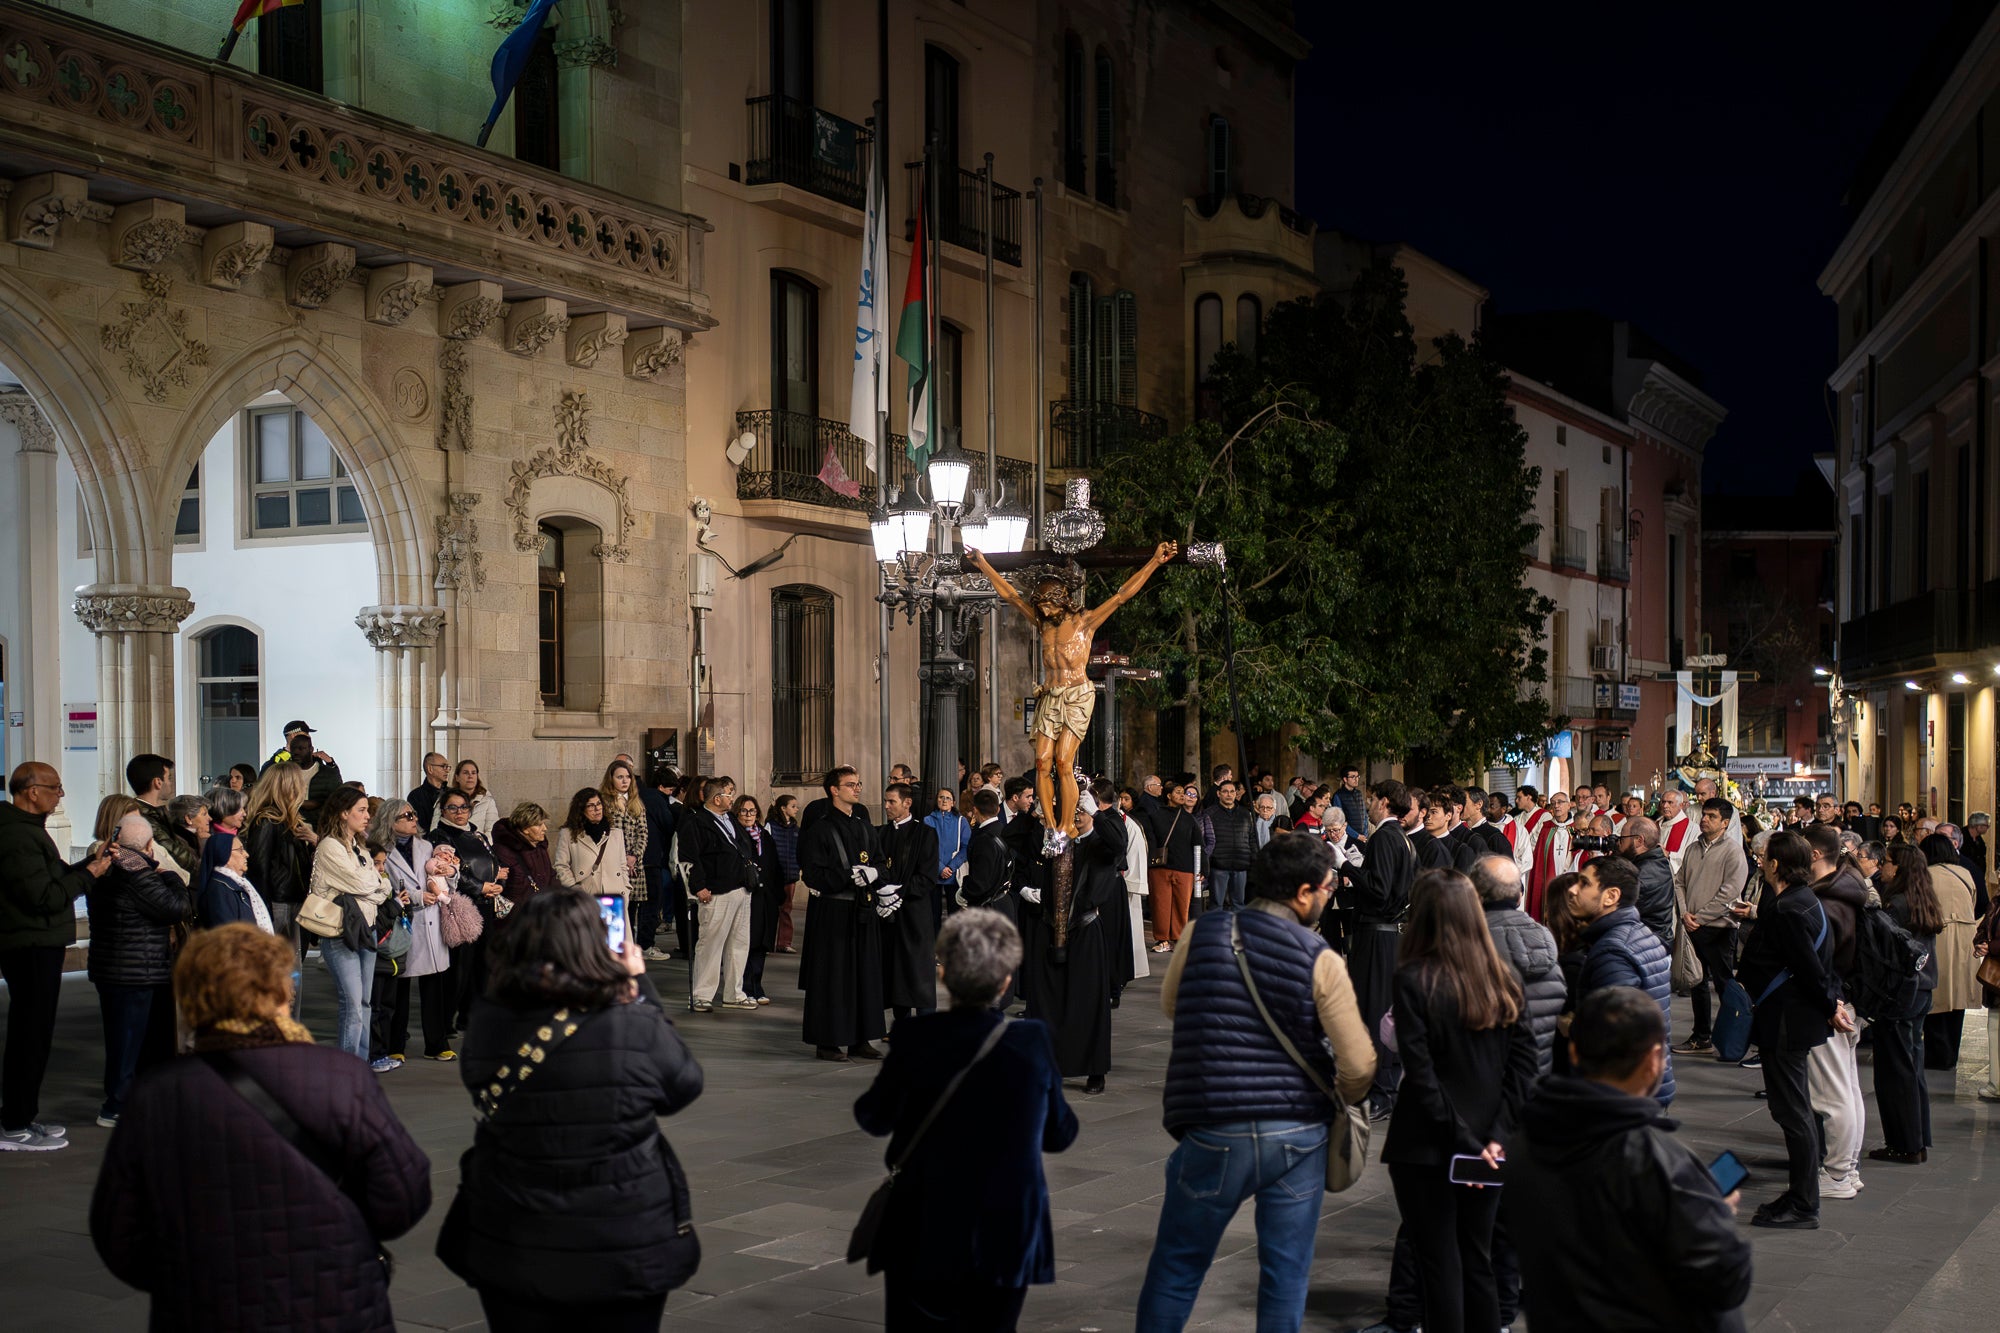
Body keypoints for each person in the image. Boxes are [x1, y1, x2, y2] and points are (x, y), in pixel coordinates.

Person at [90, 923, 431, 1330]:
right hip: (336, 1302)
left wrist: (185, 1277)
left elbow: (120, 1233)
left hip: (203, 1309)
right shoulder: (341, 1077)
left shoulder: (158, 1095)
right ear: (279, 991)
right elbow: (403, 1196)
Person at [1136, 834, 1375, 1333]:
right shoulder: (1321, 957)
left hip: (1212, 1126)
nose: (1332, 895)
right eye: (1330, 887)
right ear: (1305, 893)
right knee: (1285, 1275)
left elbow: (1173, 1005)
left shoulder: (1201, 932)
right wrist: (1343, 1100)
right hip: (1297, 1134)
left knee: (1177, 1268)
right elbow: (1358, 1063)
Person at [437, 888, 703, 1332]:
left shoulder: (491, 1018)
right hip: (622, 1237)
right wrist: (639, 990)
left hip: (514, 1233)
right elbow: (682, 1087)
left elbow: (477, 1084)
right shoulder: (631, 1019)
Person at [854, 909, 1077, 1329]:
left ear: (943, 975)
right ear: (1006, 980)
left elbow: (873, 1117)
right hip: (1007, 1225)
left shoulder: (915, 1038)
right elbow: (1061, 1134)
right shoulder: (1030, 1041)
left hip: (924, 1220)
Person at [1503, 986, 1754, 1333]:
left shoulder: (1524, 1144)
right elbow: (1726, 1278)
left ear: (1574, 1051)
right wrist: (1716, 1215)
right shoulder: (1658, 1162)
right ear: (1653, 1060)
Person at [1378, 868, 1538, 1333]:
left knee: (1439, 1262)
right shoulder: (1503, 976)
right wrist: (1494, 1136)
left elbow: (1421, 1074)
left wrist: (1465, 1138)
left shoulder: (1414, 978)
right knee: (1476, 1257)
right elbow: (1523, 1067)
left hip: (1427, 1142)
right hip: (1489, 1143)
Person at [1738, 830, 1848, 1229]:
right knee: (1794, 1108)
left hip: (1786, 1019)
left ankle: (1804, 1203)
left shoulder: (1788, 909)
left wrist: (1829, 1005)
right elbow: (1821, 966)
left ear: (1776, 864)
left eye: (1765, 856)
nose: (1761, 861)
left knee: (1794, 1111)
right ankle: (1800, 1193)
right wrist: (1830, 1003)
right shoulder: (1803, 901)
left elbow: (1810, 968)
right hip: (1792, 1016)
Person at [0, 764, 112, 1150]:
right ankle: (14, 1124)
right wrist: (91, 874)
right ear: (31, 791)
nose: (60, 795)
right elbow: (43, 897)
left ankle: (23, 1116)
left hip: (37, 942)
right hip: (29, 945)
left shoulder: (26, 830)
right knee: (29, 1036)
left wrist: (90, 865)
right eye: (54, 788)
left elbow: (55, 879)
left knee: (35, 1034)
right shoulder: (15, 835)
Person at [88, 810, 196, 1128]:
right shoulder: (137, 872)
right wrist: (170, 875)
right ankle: (116, 1105)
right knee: (128, 1038)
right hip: (135, 969)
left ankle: (127, 1098)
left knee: (124, 1037)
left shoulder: (105, 869)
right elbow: (177, 908)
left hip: (112, 965)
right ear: (149, 844)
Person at [1019, 788, 1124, 1094]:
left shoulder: (1099, 845)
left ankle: (1095, 1070)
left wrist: (1099, 815)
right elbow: (1015, 840)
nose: (1076, 815)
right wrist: (1037, 813)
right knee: (1045, 1002)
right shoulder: (1054, 841)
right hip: (1049, 928)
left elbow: (1119, 845)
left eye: (1080, 811)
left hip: (1085, 929)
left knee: (1088, 1002)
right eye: (1072, 810)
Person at [1570, 855, 1676, 1104]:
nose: (1573, 890)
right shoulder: (1637, 934)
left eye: (1584, 884)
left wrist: (1571, 1025)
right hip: (1645, 1082)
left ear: (1611, 896)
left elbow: (1614, 1031)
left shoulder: (1613, 951)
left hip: (1623, 1092)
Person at [798, 766, 888, 1061]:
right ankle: (828, 1041)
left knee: (865, 974)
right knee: (834, 976)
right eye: (850, 784)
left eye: (858, 783)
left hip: (862, 909)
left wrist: (875, 873)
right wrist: (848, 876)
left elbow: (878, 860)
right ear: (834, 790)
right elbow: (812, 874)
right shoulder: (821, 829)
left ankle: (860, 1038)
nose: (857, 788)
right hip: (833, 910)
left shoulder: (864, 826)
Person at [1801, 823, 1869, 1197]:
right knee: (1847, 1089)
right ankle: (1849, 1169)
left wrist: (1831, 1003)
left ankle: (1839, 1174)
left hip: (1834, 1003)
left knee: (1833, 1095)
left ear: (1814, 854)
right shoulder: (1846, 889)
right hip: (1844, 999)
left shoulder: (1829, 900)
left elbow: (1824, 961)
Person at [367, 799, 453, 1069]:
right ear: (391, 821)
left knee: (434, 986)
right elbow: (384, 886)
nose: (414, 818)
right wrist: (417, 896)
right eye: (407, 815)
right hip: (403, 922)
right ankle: (395, 1046)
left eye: (414, 814)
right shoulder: (382, 852)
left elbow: (441, 878)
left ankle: (437, 1044)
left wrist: (448, 873)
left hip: (430, 922)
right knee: (399, 988)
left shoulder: (426, 846)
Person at [309, 786, 391, 1060]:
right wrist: (375, 884)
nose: (368, 816)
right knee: (353, 1003)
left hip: (366, 928)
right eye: (362, 810)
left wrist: (375, 884)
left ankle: (362, 1061)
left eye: (367, 809)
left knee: (365, 1002)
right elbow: (363, 882)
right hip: (340, 931)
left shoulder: (359, 846)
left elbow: (383, 888)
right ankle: (349, 1066)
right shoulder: (329, 846)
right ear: (344, 813)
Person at [1352, 779, 1417, 1120]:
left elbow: (1378, 890)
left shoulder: (1385, 837)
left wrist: (1344, 866)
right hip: (1391, 934)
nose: (1368, 805)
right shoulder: (1403, 839)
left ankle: (1381, 1091)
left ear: (1386, 803)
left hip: (1378, 935)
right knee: (1382, 1009)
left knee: (1374, 1009)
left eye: (1373, 799)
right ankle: (1383, 1087)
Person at [1872, 844, 1942, 1160]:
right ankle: (1918, 1139)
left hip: (1903, 993)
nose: (1882, 868)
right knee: (1912, 1069)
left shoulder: (1897, 905)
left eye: (1886, 863)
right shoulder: (1921, 899)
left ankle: (1906, 1145)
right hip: (1922, 990)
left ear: (1898, 869)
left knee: (1896, 1071)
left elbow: (1886, 950)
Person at [1673, 796, 1749, 1055]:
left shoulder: (1733, 851)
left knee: (1724, 984)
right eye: (1704, 815)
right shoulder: (1694, 848)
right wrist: (1685, 913)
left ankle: (1734, 1038)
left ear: (1725, 823)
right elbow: (1679, 881)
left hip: (1719, 928)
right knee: (1696, 982)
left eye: (1712, 816)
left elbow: (1729, 893)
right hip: (1693, 924)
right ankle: (1701, 1036)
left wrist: (1701, 917)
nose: (1704, 819)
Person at [433, 788, 508, 1030]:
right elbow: (450, 871)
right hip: (460, 907)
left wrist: (497, 884)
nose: (459, 813)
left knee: (482, 966)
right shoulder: (441, 836)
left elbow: (494, 863)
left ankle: (471, 1016)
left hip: (485, 904)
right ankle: (444, 1022)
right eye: (452, 808)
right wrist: (481, 887)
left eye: (463, 807)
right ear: (443, 810)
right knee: (459, 970)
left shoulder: (477, 835)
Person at [682, 777, 757, 1013]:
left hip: (741, 889)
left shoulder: (731, 820)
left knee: (739, 944)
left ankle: (734, 993)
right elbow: (689, 858)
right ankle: (702, 994)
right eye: (728, 794)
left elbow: (743, 846)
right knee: (710, 945)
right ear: (717, 799)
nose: (732, 798)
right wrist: (699, 886)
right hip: (716, 892)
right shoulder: (696, 823)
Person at [1918, 832, 1979, 1069]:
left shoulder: (1925, 875)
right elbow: (1974, 902)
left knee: (1936, 997)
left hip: (1938, 936)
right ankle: (1951, 1052)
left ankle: (1937, 1054)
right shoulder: (1965, 872)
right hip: (1965, 939)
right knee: (1958, 998)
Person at [880, 782, 941, 1020]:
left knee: (918, 970)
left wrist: (900, 891)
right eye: (885, 801)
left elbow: (927, 877)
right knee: (895, 970)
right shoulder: (883, 833)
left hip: (915, 914)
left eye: (891, 801)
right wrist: (882, 891)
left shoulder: (925, 834)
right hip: (889, 914)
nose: (886, 806)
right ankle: (901, 1023)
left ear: (907, 803)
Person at [736, 794, 784, 1004]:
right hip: (747, 897)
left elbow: (775, 866)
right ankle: (746, 986)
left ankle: (758, 983)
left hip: (766, 898)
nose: (749, 815)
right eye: (744, 811)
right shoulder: (735, 836)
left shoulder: (765, 836)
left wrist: (777, 894)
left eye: (752, 811)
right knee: (747, 942)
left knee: (762, 943)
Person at [1146, 778, 1198, 952]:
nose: (1182, 795)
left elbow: (1198, 844)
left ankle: (1178, 938)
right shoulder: (1155, 815)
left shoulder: (1189, 819)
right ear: (1168, 795)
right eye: (1178, 792)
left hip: (1185, 867)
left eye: (1184, 793)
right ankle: (1162, 939)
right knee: (1161, 904)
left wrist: (1201, 868)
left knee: (1181, 906)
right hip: (1160, 867)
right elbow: (1151, 839)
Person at [601, 757, 651, 936]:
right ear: (611, 779)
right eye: (619, 777)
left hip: (633, 865)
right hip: (613, 863)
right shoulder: (604, 803)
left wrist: (634, 856)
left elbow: (643, 833)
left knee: (632, 912)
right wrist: (622, 858)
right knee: (615, 913)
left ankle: (630, 953)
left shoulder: (636, 803)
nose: (624, 781)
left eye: (627, 777)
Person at [638, 765, 683, 960]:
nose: (671, 793)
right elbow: (668, 824)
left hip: (643, 858)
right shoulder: (656, 799)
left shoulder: (642, 796)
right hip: (652, 859)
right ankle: (646, 945)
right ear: (661, 786)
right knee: (652, 903)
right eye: (670, 789)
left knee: (638, 906)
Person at [125, 753, 195, 877]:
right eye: (169, 778)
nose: (170, 783)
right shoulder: (142, 818)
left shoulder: (154, 812)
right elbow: (178, 856)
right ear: (158, 782)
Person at [552, 787, 630, 897]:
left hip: (614, 897)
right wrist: (572, 887)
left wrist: (626, 888)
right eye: (590, 806)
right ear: (581, 809)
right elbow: (561, 865)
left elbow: (622, 866)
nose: (597, 808)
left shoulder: (616, 834)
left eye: (599, 804)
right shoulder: (567, 834)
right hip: (585, 897)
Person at [490, 801, 554, 926]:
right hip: (517, 921)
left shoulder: (540, 846)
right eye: (539, 825)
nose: (545, 829)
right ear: (525, 829)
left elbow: (550, 875)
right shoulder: (503, 850)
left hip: (541, 915)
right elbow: (509, 888)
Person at [1617, 816, 1676, 949]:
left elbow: (1618, 911)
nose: (1619, 842)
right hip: (1651, 940)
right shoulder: (1655, 861)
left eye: (1623, 838)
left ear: (1638, 841)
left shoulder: (1643, 875)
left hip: (1646, 946)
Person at [198, 829, 272, 932]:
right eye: (240, 850)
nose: (246, 854)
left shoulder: (239, 883)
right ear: (224, 854)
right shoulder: (219, 891)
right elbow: (226, 934)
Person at [925, 787, 970, 929]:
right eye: (941, 797)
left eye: (948, 798)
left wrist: (950, 867)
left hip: (954, 874)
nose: (944, 800)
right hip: (933, 873)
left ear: (953, 802)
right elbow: (925, 848)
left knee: (955, 915)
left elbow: (966, 847)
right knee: (933, 914)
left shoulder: (961, 821)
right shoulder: (927, 820)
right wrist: (940, 868)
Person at [766, 793, 803, 953]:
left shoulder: (796, 829)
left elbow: (799, 851)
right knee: (770, 909)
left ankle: (784, 942)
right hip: (774, 876)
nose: (796, 809)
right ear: (783, 808)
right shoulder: (771, 826)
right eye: (793, 806)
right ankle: (766, 942)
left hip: (790, 875)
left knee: (786, 909)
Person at [447, 759, 501, 839]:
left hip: (479, 846)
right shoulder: (446, 799)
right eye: (466, 773)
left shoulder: (487, 801)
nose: (470, 776)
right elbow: (436, 826)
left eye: (473, 773)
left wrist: (478, 845)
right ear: (457, 777)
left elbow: (492, 830)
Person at [407, 751, 452, 832]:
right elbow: (418, 826)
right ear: (430, 769)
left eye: (448, 767)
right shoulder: (416, 796)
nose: (447, 770)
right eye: (443, 766)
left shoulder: (452, 793)